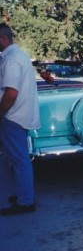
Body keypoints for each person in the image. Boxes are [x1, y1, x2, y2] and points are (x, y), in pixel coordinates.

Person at [0, 23, 40, 215]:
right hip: (20, 115)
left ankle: (26, 201)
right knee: (18, 159)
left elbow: (11, 93)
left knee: (20, 160)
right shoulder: (20, 54)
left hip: (13, 116)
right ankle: (24, 194)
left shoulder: (11, 59)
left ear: (2, 39)